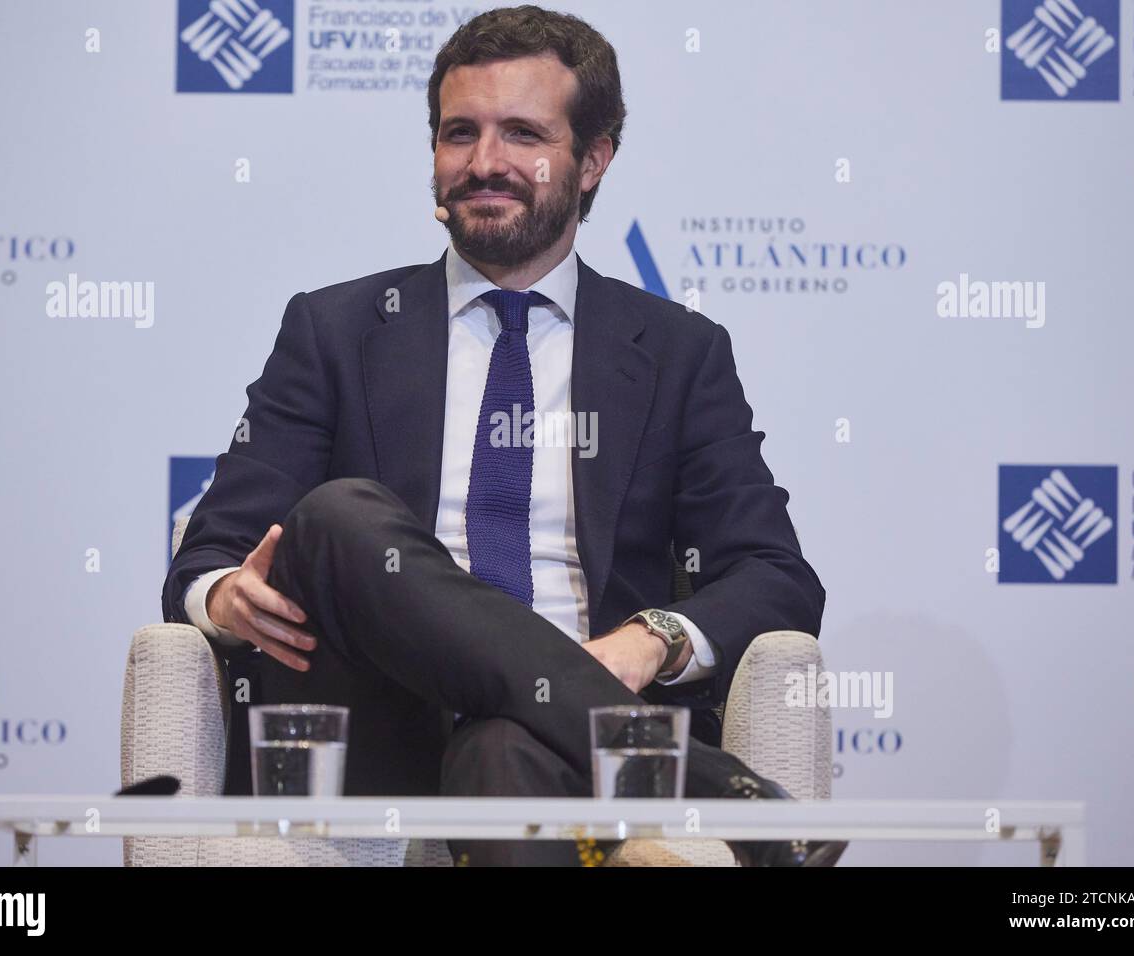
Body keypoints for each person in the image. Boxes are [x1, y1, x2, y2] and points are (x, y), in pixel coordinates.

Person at [163, 4, 842, 868]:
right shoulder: (334, 330)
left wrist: (650, 640)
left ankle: (599, 729)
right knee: (337, 518)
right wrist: (224, 596)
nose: (484, 163)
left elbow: (776, 577)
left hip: (562, 763)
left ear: (593, 160)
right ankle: (711, 786)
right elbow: (207, 553)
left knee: (501, 749)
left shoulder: (676, 354)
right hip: (382, 732)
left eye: (523, 134)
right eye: (459, 133)